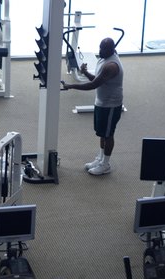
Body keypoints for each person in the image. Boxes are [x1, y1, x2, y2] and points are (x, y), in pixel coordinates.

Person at [62, 37, 124, 176]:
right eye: (100, 47)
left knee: (108, 135)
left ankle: (105, 164)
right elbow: (97, 80)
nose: (100, 51)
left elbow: (93, 85)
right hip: (102, 102)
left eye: (104, 49)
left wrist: (71, 86)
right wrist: (85, 72)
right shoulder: (104, 58)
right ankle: (100, 159)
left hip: (111, 105)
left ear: (112, 50)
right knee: (102, 133)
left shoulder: (112, 66)